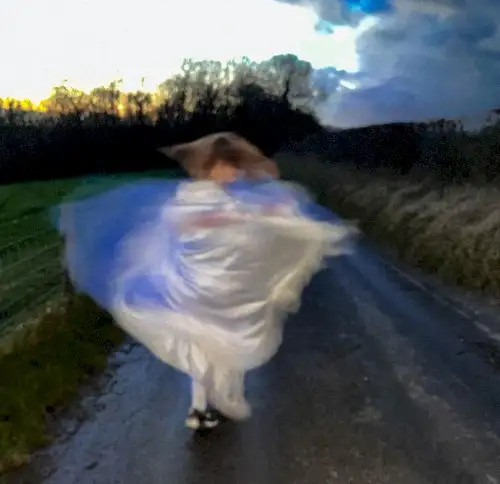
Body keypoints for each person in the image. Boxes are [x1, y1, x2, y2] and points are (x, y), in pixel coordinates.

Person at [54, 132, 357, 431]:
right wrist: (229, 219)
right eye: (229, 167)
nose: (235, 174)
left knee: (213, 345)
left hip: (218, 284)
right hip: (201, 285)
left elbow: (254, 219)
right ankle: (203, 406)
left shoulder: (228, 196)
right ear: (213, 166)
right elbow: (184, 223)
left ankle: (205, 406)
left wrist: (273, 216)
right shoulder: (195, 196)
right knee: (212, 343)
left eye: (236, 167)